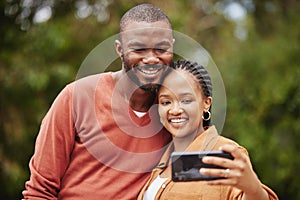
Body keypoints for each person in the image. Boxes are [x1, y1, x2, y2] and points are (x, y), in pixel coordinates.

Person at [22, 4, 175, 199]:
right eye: (139, 48)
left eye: (161, 48)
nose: (152, 58)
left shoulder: (173, 110)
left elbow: (204, 149)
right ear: (120, 49)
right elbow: (39, 191)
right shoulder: (77, 96)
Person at [138, 60, 278, 200]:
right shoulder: (159, 161)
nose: (175, 110)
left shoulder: (224, 153)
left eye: (186, 100)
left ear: (206, 103)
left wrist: (252, 189)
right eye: (166, 102)